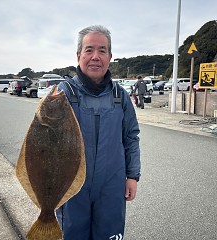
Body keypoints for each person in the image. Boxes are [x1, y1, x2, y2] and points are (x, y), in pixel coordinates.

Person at [56, 25, 141, 239]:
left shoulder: (120, 96)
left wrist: (132, 176)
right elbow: (43, 143)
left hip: (111, 186)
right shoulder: (62, 94)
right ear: (78, 55)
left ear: (110, 56)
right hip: (71, 186)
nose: (95, 57)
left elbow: (131, 137)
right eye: (89, 50)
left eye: (102, 50)